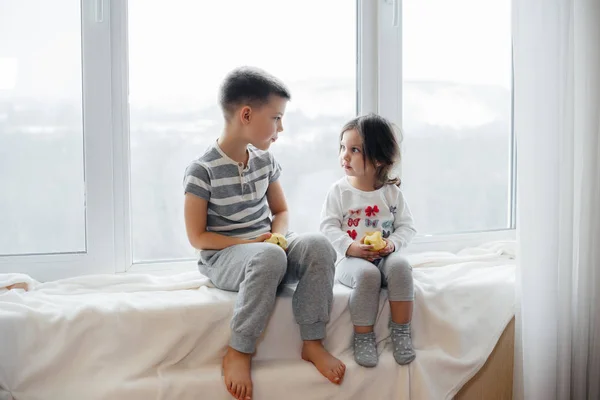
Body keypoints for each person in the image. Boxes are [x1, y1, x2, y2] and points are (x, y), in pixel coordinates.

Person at [183, 67, 345, 400]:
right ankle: (239, 350)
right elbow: (198, 238)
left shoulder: (265, 161)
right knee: (268, 256)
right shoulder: (202, 171)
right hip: (225, 257)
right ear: (246, 115)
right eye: (276, 118)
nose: (280, 128)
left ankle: (312, 343)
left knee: (318, 245)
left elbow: (280, 212)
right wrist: (253, 244)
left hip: (267, 249)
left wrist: (277, 236)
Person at [320, 113, 417, 368]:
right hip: (349, 260)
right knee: (367, 276)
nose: (344, 155)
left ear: (378, 159)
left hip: (384, 256)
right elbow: (328, 226)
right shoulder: (339, 191)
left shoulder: (391, 193)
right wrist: (350, 247)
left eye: (354, 150)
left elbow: (406, 227)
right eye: (342, 147)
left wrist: (392, 244)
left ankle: (401, 332)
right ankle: (363, 337)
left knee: (401, 267)